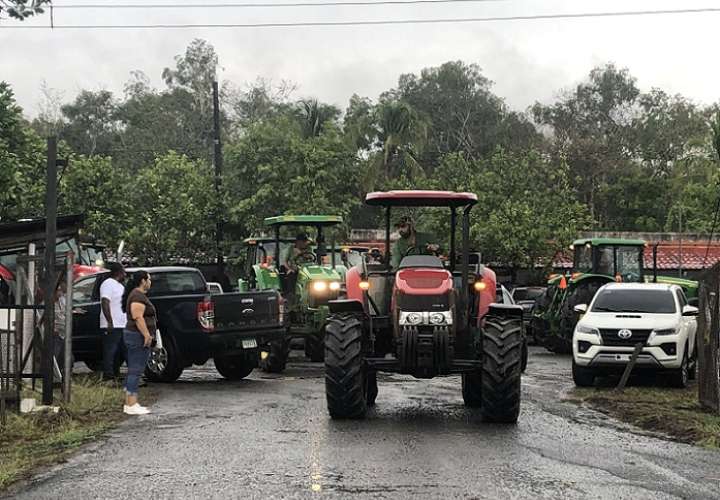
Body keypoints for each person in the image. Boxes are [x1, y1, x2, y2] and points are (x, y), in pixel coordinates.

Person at [121, 270, 156, 416]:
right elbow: (137, 317)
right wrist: (146, 335)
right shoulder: (137, 296)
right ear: (142, 281)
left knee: (136, 369)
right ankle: (131, 403)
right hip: (137, 336)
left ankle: (131, 401)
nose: (150, 281)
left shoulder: (139, 295)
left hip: (136, 335)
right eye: (148, 279)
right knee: (135, 369)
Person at [99, 262, 126, 380]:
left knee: (119, 351)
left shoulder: (120, 286)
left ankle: (115, 372)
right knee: (110, 349)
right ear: (119, 272)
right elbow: (105, 301)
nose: (125, 274)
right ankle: (108, 374)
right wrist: (109, 320)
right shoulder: (108, 284)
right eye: (123, 271)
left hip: (121, 324)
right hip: (112, 323)